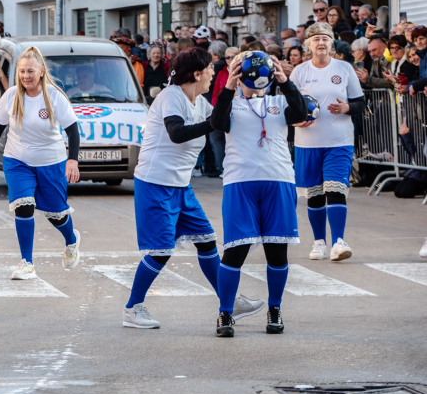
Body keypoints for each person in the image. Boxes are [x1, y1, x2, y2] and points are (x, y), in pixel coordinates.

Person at [123, 47, 263, 330]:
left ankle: (230, 300)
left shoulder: (200, 101)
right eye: (210, 68)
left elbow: (222, 121)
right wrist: (211, 123)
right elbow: (177, 133)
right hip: (155, 183)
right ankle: (132, 309)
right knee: (160, 251)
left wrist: (243, 91)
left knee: (207, 241)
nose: (213, 72)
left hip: (180, 185)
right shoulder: (172, 96)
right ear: (197, 73)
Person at [209, 52, 309, 337]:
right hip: (240, 182)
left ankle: (275, 309)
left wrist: (285, 81)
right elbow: (217, 124)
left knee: (277, 251)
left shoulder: (280, 102)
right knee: (235, 251)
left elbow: (301, 114)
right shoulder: (230, 103)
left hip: (278, 180)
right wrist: (229, 86)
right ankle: (225, 312)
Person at [0, 46, 81, 279]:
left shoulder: (54, 96)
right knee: (23, 205)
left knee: (56, 213)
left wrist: (73, 160)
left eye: (30, 71)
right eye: (22, 71)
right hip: (17, 160)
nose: (26, 76)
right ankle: (26, 262)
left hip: (51, 161)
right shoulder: (11, 95)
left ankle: (71, 239)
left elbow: (73, 130)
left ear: (41, 71)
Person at [291, 22, 366, 262]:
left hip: (339, 141)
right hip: (307, 143)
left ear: (332, 42)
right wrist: (295, 121)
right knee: (314, 195)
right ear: (308, 44)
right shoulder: (299, 72)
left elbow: (360, 103)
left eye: (325, 38)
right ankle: (319, 242)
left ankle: (338, 242)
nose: (321, 43)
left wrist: (346, 108)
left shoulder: (344, 68)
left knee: (335, 189)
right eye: (316, 39)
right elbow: (287, 107)